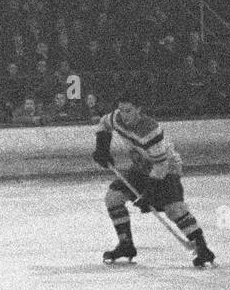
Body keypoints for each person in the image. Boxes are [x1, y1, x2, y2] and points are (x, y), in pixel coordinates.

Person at [92, 97, 215, 268]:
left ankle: (202, 247)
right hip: (142, 166)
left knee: (174, 209)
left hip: (167, 168)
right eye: (121, 110)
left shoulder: (151, 131)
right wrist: (102, 148)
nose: (124, 115)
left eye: (129, 111)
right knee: (113, 199)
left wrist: (148, 194)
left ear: (139, 110)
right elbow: (103, 124)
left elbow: (160, 166)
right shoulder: (117, 118)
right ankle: (125, 245)